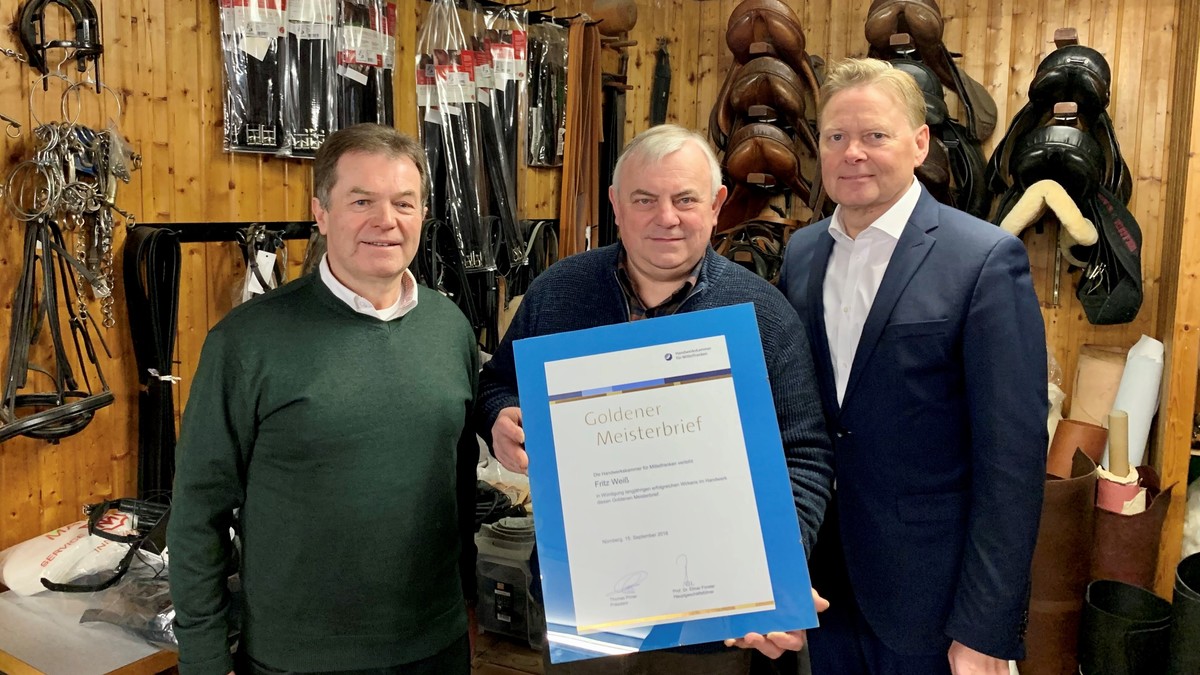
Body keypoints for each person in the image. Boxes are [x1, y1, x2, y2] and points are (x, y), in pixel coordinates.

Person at [475, 123, 835, 674]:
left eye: (684, 199)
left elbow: (803, 455)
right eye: (645, 199)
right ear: (617, 204)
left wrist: (778, 569)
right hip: (590, 609)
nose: (666, 217)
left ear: (717, 205)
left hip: (716, 624)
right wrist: (500, 415)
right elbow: (499, 382)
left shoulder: (762, 316)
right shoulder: (558, 292)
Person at [168, 124, 480, 675]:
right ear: (321, 213)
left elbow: (454, 482)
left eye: (403, 203)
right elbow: (198, 513)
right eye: (362, 201)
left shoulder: (449, 327)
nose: (386, 221)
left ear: (423, 213)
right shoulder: (247, 342)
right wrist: (205, 660)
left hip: (436, 647)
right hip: (301, 659)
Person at [777, 58, 1048, 675]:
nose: (853, 153)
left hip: (933, 599)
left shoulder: (984, 260)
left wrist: (987, 627)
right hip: (825, 584)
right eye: (836, 137)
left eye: (875, 135)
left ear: (920, 143)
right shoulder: (802, 251)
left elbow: (1012, 462)